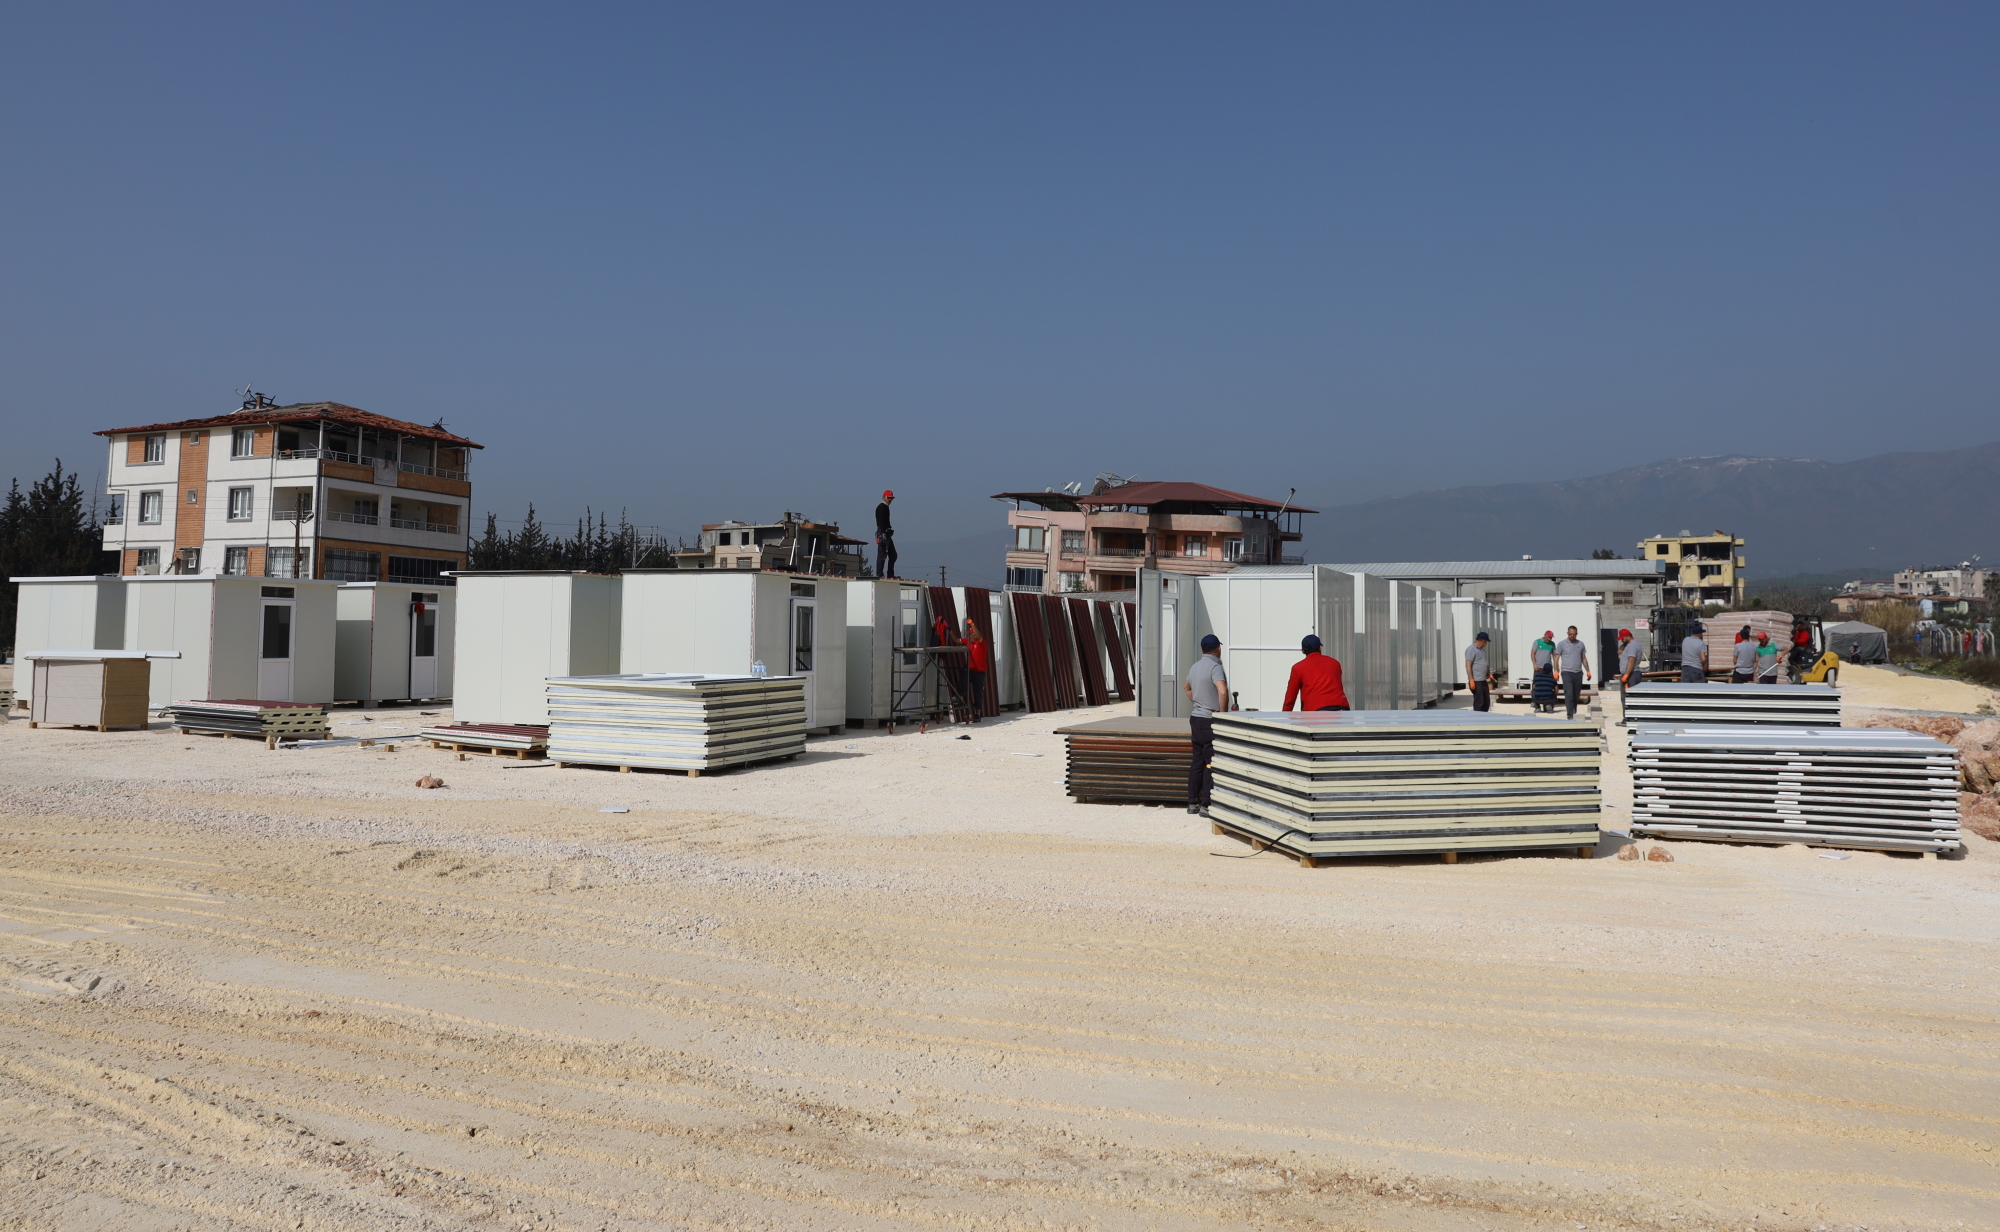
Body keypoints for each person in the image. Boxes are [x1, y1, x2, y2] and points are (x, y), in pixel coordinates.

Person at [1183, 634, 1228, 816]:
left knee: (1197, 761)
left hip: (1196, 719)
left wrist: (1198, 702)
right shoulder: (1215, 667)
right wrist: (1222, 715)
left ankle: (1192, 802)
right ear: (1218, 648)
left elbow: (1186, 687)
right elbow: (1222, 691)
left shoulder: (1195, 667)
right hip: (1210, 720)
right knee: (1211, 763)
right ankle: (1206, 804)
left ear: (1202, 649)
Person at [1282, 634, 1349, 711]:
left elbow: (1290, 699)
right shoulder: (1335, 663)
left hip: (1316, 711)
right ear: (1319, 648)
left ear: (1303, 650)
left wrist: (1285, 715)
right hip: (1341, 708)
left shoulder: (1298, 668)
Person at [1554, 625, 1591, 720]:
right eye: (1570, 634)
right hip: (1567, 672)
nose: (1572, 636)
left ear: (1577, 634)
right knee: (1569, 694)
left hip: (1578, 673)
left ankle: (1574, 712)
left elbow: (1583, 658)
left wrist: (1588, 671)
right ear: (1567, 633)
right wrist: (1556, 671)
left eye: (1574, 634)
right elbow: (1556, 658)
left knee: (1576, 695)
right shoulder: (1562, 644)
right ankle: (1570, 714)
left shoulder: (1581, 644)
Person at [964, 617, 989, 719]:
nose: (969, 637)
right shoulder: (968, 643)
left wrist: (972, 624)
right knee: (963, 682)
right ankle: (959, 699)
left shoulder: (981, 643)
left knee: (978, 693)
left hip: (979, 672)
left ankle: (977, 714)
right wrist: (950, 632)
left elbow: (979, 636)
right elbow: (957, 640)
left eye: (971, 635)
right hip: (971, 670)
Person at [1465, 632, 1493, 712]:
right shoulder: (1471, 649)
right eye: (1486, 642)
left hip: (1483, 679)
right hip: (1476, 680)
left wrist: (1489, 673)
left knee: (1486, 701)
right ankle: (1477, 716)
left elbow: (1484, 662)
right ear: (1483, 641)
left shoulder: (1481, 650)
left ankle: (1484, 716)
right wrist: (1471, 679)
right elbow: (1468, 665)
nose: (1486, 644)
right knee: (1479, 701)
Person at [1531, 631, 1557, 713]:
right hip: (1538, 668)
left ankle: (1548, 705)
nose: (1550, 639)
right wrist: (1534, 664)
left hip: (1548, 668)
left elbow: (1554, 656)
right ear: (1545, 635)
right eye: (1549, 637)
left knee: (1549, 686)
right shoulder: (1537, 642)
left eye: (1551, 637)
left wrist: (1556, 669)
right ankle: (1536, 704)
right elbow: (1532, 653)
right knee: (1536, 686)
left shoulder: (1552, 644)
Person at [874, 489, 897, 578]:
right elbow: (880, 522)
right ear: (884, 497)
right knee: (882, 554)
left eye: (891, 498)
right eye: (888, 498)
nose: (890, 500)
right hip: (882, 532)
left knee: (893, 555)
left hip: (886, 533)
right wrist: (883, 534)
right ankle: (879, 574)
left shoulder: (886, 507)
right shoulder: (881, 507)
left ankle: (890, 574)